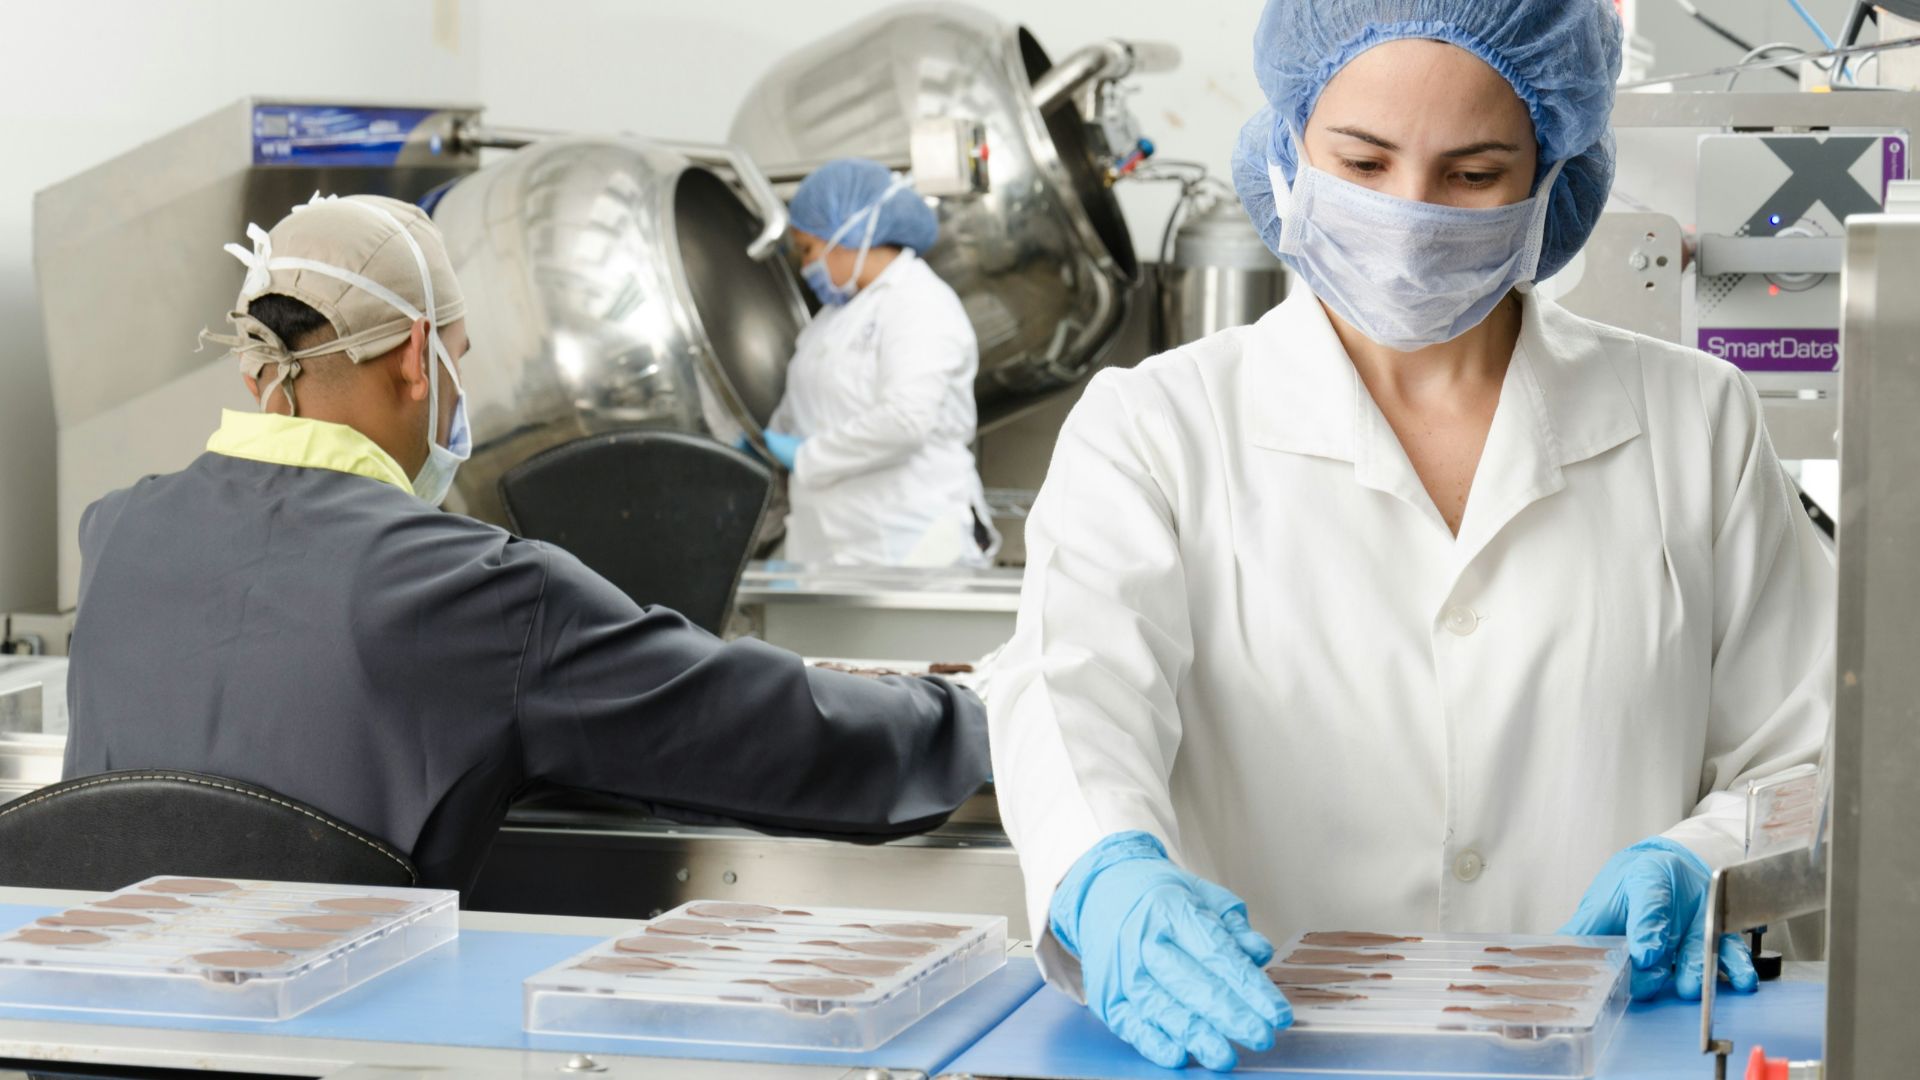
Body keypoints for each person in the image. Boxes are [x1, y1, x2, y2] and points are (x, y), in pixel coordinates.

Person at [988, 1, 1834, 1071]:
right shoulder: (1157, 428)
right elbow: (1071, 699)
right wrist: (1103, 871)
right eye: (1363, 159)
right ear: (1291, 143)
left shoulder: (1693, 420)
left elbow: (1809, 750)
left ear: (1550, 172)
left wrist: (1707, 861)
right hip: (1263, 1054)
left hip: (1605, 1057)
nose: (1411, 213)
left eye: (1474, 174)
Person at [63, 194, 990, 890]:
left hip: (99, 1045)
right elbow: (764, 731)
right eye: (460, 361)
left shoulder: (114, 534)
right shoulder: (470, 591)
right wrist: (980, 715)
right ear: (418, 359)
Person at [758, 158, 1000, 568]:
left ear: (850, 231)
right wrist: (766, 440)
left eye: (808, 249)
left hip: (912, 544)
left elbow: (906, 420)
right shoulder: (833, 318)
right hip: (832, 549)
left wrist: (806, 455)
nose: (806, 266)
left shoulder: (919, 303)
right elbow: (811, 404)